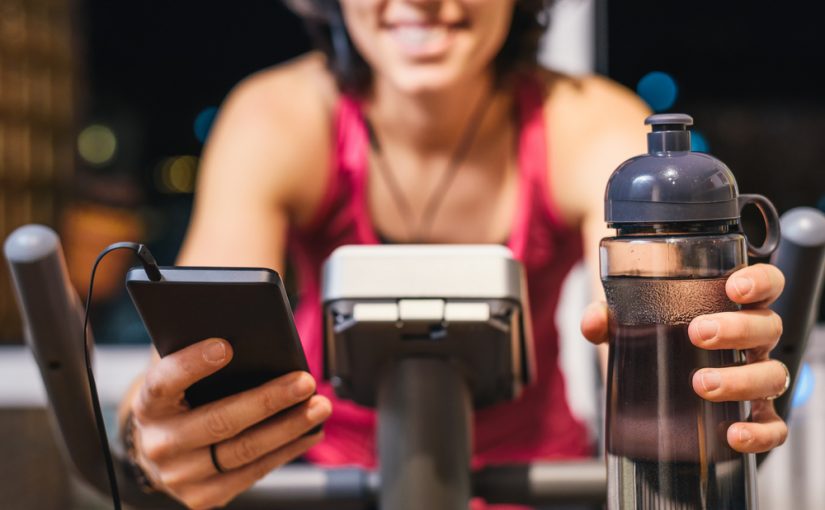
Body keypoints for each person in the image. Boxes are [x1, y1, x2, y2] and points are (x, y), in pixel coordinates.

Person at [118, 1, 789, 508]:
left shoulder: (586, 122)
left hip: (533, 484)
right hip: (329, 483)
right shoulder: (277, 118)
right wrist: (152, 438)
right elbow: (192, 368)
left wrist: (706, 386)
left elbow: (648, 353)